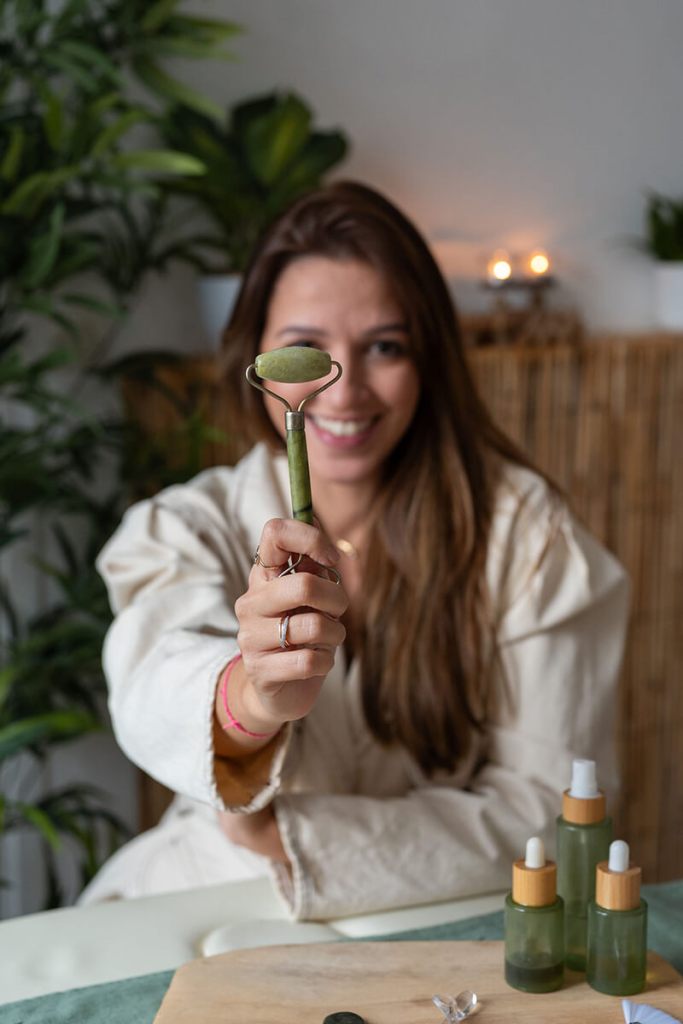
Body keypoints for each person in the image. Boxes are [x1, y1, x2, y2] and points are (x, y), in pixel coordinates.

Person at [80, 181, 629, 919]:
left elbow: (551, 813)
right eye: (305, 349)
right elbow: (149, 684)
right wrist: (250, 696)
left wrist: (282, 837)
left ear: (429, 361)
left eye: (385, 346)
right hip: (209, 898)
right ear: (255, 357)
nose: (341, 391)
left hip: (446, 917)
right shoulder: (188, 526)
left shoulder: (525, 537)